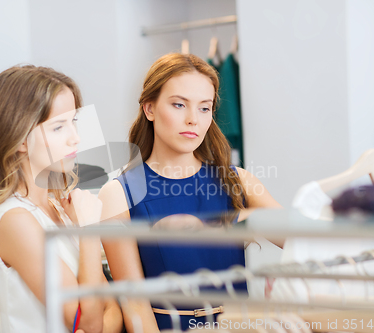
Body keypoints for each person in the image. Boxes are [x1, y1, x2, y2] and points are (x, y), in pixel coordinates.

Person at [98, 53, 282, 332]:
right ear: (149, 108)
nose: (192, 120)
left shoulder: (237, 180)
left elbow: (299, 239)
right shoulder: (118, 194)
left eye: (204, 108)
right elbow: (134, 303)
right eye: (179, 104)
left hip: (241, 324)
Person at [0, 65, 123, 333]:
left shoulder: (59, 208)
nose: (76, 138)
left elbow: (113, 311)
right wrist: (90, 231)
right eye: (59, 127)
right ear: (20, 138)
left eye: (75, 122)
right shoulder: (14, 220)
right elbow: (89, 322)